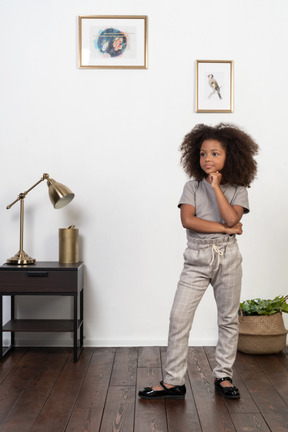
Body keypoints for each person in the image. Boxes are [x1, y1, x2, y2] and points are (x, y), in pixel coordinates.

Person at [138, 123, 259, 400]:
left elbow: (231, 217)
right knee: (179, 317)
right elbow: (188, 221)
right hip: (196, 257)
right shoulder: (191, 186)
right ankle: (173, 381)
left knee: (228, 318)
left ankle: (223, 376)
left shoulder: (238, 189)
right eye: (203, 153)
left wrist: (217, 189)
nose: (208, 159)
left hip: (228, 257)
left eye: (215, 153)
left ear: (231, 156)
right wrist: (227, 229)